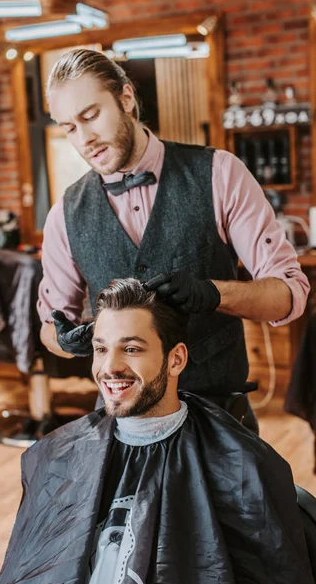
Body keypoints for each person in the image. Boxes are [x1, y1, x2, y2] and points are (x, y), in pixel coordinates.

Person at [37, 48, 309, 424]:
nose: (84, 139)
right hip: (122, 429)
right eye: (69, 127)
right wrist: (66, 339)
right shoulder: (63, 215)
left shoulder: (220, 174)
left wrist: (213, 293)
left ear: (126, 97)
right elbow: (50, 328)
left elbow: (287, 295)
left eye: (91, 115)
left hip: (219, 420)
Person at [0, 278, 314, 584]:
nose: (110, 367)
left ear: (176, 360)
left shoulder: (243, 466)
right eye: (101, 349)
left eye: (131, 348)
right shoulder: (57, 458)